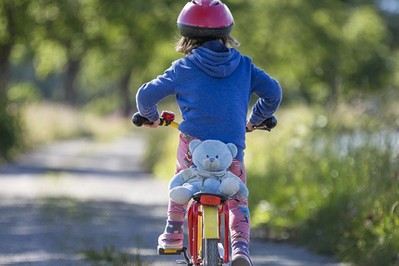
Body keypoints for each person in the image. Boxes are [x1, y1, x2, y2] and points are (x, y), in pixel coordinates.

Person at [135, 0, 282, 265]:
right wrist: (255, 119)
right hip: (231, 150)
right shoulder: (246, 67)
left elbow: (145, 95)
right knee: (238, 197)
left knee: (181, 179)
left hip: (193, 147)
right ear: (227, 33)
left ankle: (172, 234)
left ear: (186, 36)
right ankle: (240, 249)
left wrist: (152, 117)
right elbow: (273, 93)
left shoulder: (182, 68)